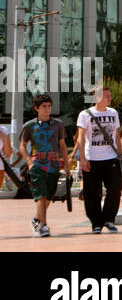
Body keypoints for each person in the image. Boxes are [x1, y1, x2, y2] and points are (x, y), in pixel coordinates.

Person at [74, 84, 122, 234]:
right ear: (97, 97)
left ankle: (109, 219)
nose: (110, 98)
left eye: (110, 95)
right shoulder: (85, 114)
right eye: (106, 96)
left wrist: (120, 156)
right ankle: (96, 222)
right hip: (92, 159)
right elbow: (81, 138)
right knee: (91, 193)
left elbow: (116, 135)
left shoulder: (113, 113)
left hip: (111, 158)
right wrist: (82, 159)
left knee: (115, 189)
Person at [18, 94, 67, 237]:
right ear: (36, 108)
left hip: (54, 165)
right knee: (41, 195)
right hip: (37, 165)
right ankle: (43, 226)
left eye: (49, 106)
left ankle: (36, 220)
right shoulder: (29, 126)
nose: (47, 109)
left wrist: (67, 164)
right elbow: (22, 146)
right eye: (44, 106)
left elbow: (62, 145)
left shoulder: (58, 124)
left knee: (48, 197)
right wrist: (29, 162)